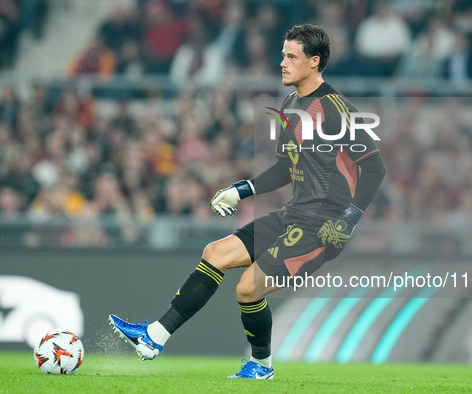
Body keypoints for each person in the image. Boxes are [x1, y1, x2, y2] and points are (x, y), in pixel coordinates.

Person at [109, 24, 386, 379]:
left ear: (314, 62)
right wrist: (241, 190)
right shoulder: (291, 105)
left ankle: (261, 365)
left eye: (291, 56)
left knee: (247, 288)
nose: (282, 62)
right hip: (294, 213)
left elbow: (375, 169)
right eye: (282, 54)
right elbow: (287, 167)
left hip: (322, 224)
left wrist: (348, 219)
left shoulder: (337, 110)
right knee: (215, 253)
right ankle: (153, 338)